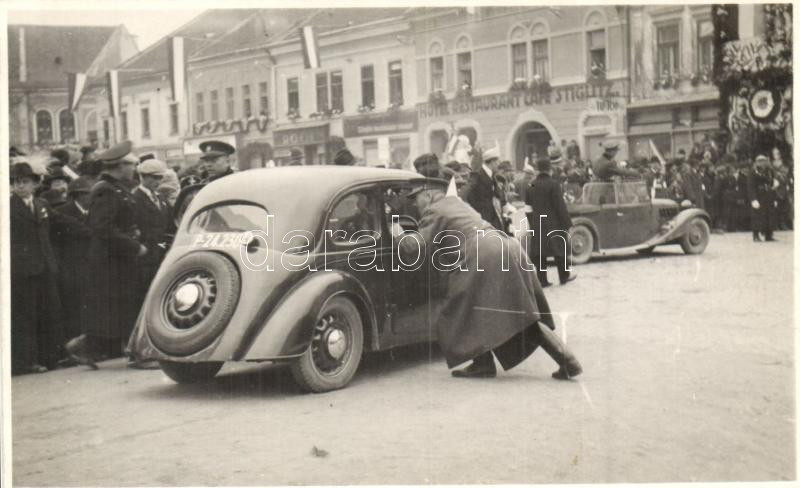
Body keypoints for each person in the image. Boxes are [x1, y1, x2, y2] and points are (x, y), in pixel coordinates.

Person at [391, 184, 582, 380]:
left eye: (416, 199)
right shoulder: (456, 203)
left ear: (428, 195)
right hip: (506, 247)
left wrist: (397, 232)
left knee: (460, 309)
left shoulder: (434, 210)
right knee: (518, 311)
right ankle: (564, 361)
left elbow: (415, 247)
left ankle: (485, 363)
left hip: (485, 255)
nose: (415, 205)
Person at [66, 141, 147, 368]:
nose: (134, 169)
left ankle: (83, 346)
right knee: (124, 305)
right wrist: (133, 245)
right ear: (120, 166)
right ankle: (137, 355)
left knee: (116, 308)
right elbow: (102, 228)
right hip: (112, 260)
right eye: (131, 165)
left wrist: (133, 233)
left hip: (117, 258)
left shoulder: (116, 188)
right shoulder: (106, 190)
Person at [10, 162, 70, 374]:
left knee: (50, 311)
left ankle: (51, 356)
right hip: (21, 270)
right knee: (26, 315)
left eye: (25, 182)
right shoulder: (8, 207)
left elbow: (60, 220)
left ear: (35, 183)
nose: (20, 186)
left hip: (45, 266)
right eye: (16, 182)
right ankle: (27, 361)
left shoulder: (41, 204)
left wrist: (87, 227)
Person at [52, 177, 94, 342]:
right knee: (73, 306)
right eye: (89, 194)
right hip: (70, 267)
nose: (93, 198)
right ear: (79, 195)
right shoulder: (62, 212)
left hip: (91, 265)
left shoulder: (95, 211)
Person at [525, 157, 576, 287]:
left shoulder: (531, 185)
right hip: (554, 223)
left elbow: (528, 207)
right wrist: (567, 223)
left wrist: (532, 222)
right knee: (559, 249)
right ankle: (564, 276)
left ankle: (542, 280)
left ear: (537, 170)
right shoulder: (554, 184)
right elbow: (560, 206)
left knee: (540, 253)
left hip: (537, 223)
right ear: (549, 169)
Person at [462, 146, 507, 231]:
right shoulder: (477, 176)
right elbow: (469, 196)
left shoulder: (492, 175)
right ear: (492, 162)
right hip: (484, 220)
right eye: (497, 161)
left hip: (493, 218)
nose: (498, 164)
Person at [748, 154, 777, 242]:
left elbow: (772, 184)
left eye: (764, 161)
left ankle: (768, 235)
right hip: (759, 196)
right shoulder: (753, 172)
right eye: (760, 161)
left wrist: (774, 197)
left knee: (769, 215)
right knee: (757, 216)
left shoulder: (769, 171)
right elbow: (751, 186)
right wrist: (753, 199)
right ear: (757, 162)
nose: (762, 163)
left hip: (768, 195)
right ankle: (756, 235)